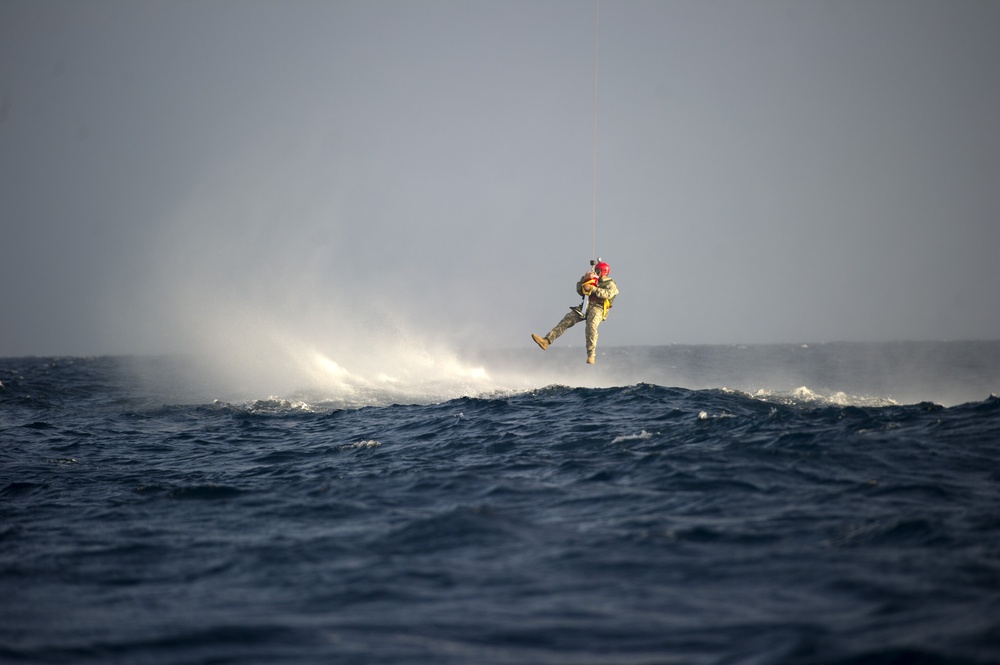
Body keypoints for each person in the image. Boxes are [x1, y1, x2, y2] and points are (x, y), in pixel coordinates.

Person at [531, 261, 619, 364]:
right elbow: (579, 290)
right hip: (586, 305)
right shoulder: (592, 279)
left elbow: (608, 294)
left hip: (599, 308)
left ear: (604, 272)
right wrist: (585, 281)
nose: (596, 272)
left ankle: (591, 355)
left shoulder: (610, 284)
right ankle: (546, 341)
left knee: (591, 327)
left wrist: (593, 289)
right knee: (567, 320)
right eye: (596, 270)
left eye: (598, 270)